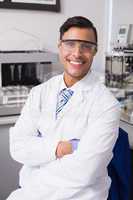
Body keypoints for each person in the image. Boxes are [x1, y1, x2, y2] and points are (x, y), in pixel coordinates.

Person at [7, 16, 120, 200]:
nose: (77, 53)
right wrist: (62, 148)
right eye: (70, 44)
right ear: (60, 46)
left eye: (86, 46)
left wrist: (39, 151)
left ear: (95, 51)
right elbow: (18, 147)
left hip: (80, 196)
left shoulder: (107, 106)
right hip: (28, 193)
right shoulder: (39, 93)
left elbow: (84, 172)